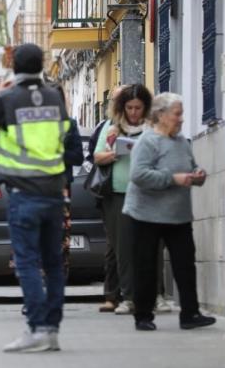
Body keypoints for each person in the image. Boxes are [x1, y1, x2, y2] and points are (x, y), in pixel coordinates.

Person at [0, 43, 69, 353]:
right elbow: (65, 136)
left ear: (13, 66)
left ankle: (37, 328)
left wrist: (0, 95)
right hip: (53, 191)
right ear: (42, 65)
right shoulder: (55, 96)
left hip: (23, 192)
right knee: (53, 263)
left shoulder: (8, 98)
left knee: (26, 262)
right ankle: (52, 330)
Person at [124, 93, 216, 332]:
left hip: (178, 215)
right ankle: (143, 316)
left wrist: (198, 175)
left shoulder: (182, 142)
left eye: (181, 113)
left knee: (185, 265)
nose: (181, 119)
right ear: (161, 116)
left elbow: (190, 167)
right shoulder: (148, 141)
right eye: (177, 114)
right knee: (145, 266)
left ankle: (190, 313)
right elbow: (138, 175)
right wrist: (172, 178)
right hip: (145, 214)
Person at [92, 84, 171, 316]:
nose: (134, 112)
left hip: (149, 193)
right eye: (129, 108)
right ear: (122, 108)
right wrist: (113, 148)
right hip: (118, 194)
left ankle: (155, 295)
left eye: (138, 107)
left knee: (153, 245)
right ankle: (128, 298)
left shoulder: (154, 127)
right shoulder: (111, 127)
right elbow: (98, 157)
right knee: (123, 248)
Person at [90, 85, 125, 312]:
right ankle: (112, 295)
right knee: (114, 245)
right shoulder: (105, 128)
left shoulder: (143, 127)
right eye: (118, 100)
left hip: (139, 192)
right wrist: (114, 151)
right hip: (111, 193)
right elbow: (93, 156)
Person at [56, 86, 84, 278]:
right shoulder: (34, 126)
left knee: (61, 238)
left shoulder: (69, 125)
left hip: (61, 189)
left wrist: (56, 155)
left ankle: (58, 277)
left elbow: (78, 157)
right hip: (36, 189)